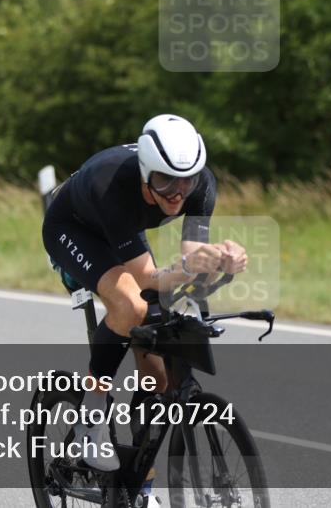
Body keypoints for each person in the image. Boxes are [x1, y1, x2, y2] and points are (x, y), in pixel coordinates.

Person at [41, 114, 247, 499]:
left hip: (122, 230)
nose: (176, 192)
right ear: (144, 172)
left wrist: (223, 257)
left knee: (157, 373)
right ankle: (92, 417)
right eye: (164, 180)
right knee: (131, 308)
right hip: (73, 228)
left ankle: (140, 487)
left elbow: (190, 259)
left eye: (185, 180)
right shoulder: (112, 185)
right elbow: (151, 278)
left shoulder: (200, 185)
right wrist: (187, 268)